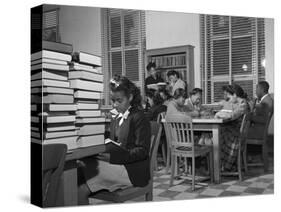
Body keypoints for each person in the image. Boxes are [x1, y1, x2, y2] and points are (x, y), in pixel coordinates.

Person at [77, 77, 151, 205]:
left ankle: (81, 193)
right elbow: (114, 142)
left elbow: (142, 151)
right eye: (113, 100)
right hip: (117, 163)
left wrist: (114, 157)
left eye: (119, 101)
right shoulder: (115, 116)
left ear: (131, 97)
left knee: (80, 185)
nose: (115, 105)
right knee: (79, 167)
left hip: (132, 170)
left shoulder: (139, 117)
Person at [215, 84, 250, 171]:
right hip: (235, 132)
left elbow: (233, 116)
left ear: (234, 95)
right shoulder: (241, 103)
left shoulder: (243, 104)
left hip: (236, 135)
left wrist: (219, 114)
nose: (228, 99)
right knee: (213, 134)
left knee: (214, 136)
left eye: (229, 96)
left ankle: (218, 166)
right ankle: (217, 165)